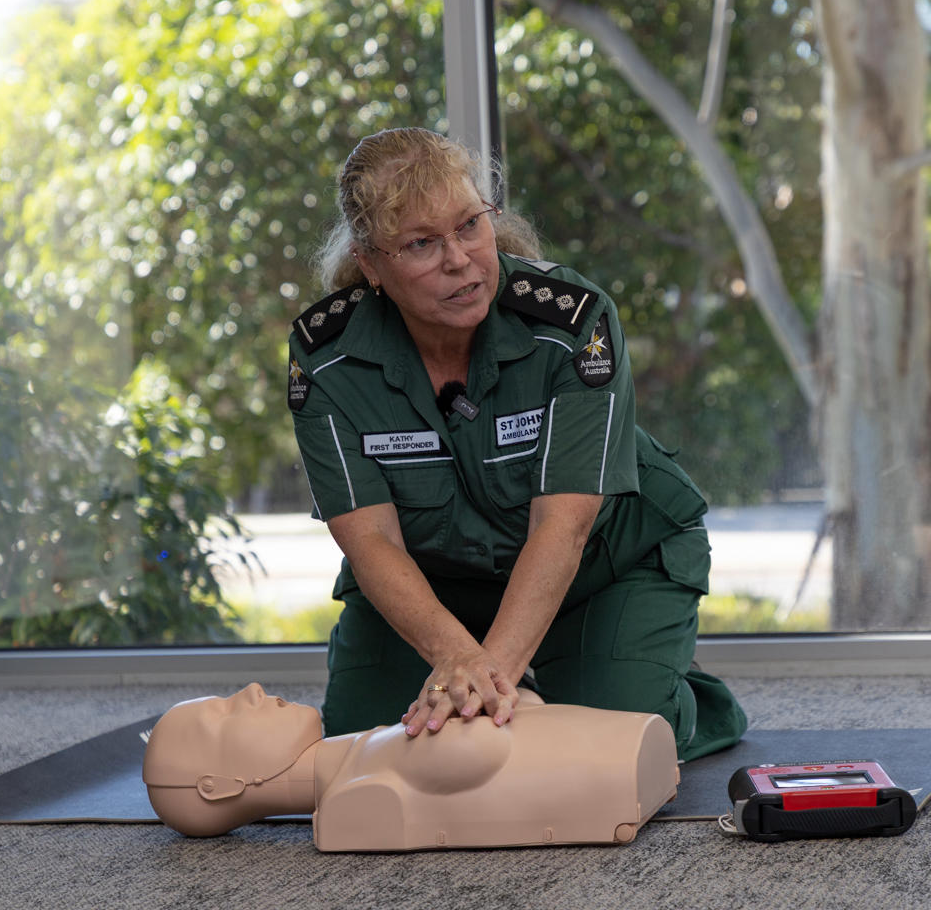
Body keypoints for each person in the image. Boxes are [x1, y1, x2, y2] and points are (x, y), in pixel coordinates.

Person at [286, 126, 746, 762]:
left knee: (611, 748)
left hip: (605, 562)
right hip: (434, 578)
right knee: (364, 749)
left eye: (469, 225)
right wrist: (455, 657)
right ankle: (528, 671)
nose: (459, 259)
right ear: (371, 264)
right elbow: (371, 540)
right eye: (421, 243)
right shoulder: (326, 358)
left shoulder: (570, 322)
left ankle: (661, 680)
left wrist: (485, 682)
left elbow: (563, 528)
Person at [141, 683, 679, 850]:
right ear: (218, 786)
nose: (252, 690)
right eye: (224, 714)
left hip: (624, 748)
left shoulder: (366, 754)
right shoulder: (361, 788)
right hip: (621, 764)